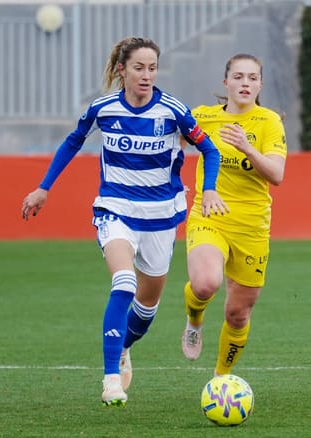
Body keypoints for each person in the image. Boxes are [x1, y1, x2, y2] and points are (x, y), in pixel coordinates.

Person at [21, 37, 227, 406]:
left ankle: (125, 345)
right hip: (115, 209)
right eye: (139, 68)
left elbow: (208, 149)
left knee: (146, 311)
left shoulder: (172, 110)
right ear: (122, 70)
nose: (146, 75)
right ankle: (110, 378)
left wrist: (209, 189)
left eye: (152, 68)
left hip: (162, 216)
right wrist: (43, 188)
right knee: (124, 280)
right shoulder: (103, 108)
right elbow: (72, 141)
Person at [180, 54, 287, 377]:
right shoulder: (203, 117)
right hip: (209, 215)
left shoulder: (268, 121)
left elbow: (277, 175)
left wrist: (248, 148)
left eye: (252, 78)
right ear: (225, 82)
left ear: (260, 85)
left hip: (252, 226)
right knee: (205, 284)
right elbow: (168, 143)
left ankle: (220, 379)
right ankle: (194, 319)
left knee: (238, 314)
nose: (245, 83)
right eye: (238, 76)